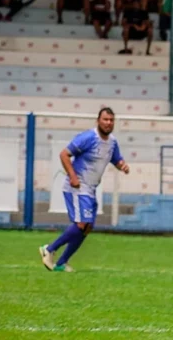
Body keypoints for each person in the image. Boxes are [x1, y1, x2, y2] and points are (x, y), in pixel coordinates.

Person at [39, 108, 129, 273]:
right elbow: (64, 154)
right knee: (82, 223)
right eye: (105, 119)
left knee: (87, 228)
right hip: (77, 186)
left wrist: (122, 165)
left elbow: (116, 159)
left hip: (91, 188)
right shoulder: (88, 138)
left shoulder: (112, 142)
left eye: (111, 120)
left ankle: (61, 263)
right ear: (98, 120)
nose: (108, 123)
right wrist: (73, 177)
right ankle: (50, 249)